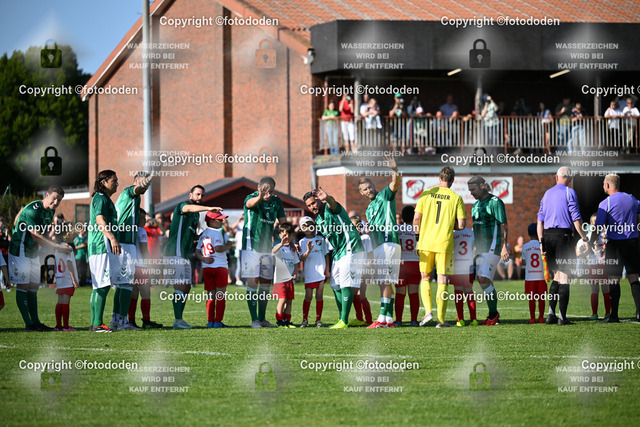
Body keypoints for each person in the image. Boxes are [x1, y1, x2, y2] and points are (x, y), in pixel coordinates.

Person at [9, 185, 70, 331]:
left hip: (33, 251)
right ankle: (29, 323)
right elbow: (36, 236)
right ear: (47, 195)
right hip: (20, 249)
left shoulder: (51, 211)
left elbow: (44, 233)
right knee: (23, 286)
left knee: (34, 287)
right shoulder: (32, 210)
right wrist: (56, 247)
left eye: (59, 200)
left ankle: (36, 322)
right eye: (54, 198)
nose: (56, 202)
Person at [303, 188, 366, 329]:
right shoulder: (318, 220)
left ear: (319, 200)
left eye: (313, 203)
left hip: (350, 246)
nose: (312, 207)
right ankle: (342, 318)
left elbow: (332, 203)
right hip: (338, 252)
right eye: (309, 205)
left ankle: (344, 320)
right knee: (335, 284)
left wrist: (327, 197)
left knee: (345, 284)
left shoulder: (330, 208)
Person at [413, 166, 466, 328]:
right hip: (444, 243)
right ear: (452, 180)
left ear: (439, 178)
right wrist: (449, 225)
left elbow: (416, 220)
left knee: (425, 277)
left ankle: (428, 312)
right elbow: (462, 225)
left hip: (425, 243)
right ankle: (441, 321)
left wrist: (418, 238)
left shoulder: (425, 194)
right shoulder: (456, 198)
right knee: (443, 279)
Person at [163, 185, 222, 329]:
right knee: (180, 285)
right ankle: (178, 320)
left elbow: (193, 236)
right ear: (190, 195)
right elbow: (189, 208)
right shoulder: (183, 206)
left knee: (187, 287)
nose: (200, 197)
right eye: (197, 194)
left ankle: (180, 320)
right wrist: (209, 208)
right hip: (174, 252)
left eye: (202, 195)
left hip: (185, 254)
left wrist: (205, 234)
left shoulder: (196, 216)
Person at [537, 167, 588, 325]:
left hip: (548, 237)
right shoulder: (569, 192)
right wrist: (585, 237)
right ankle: (562, 318)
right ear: (570, 179)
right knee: (565, 277)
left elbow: (540, 222)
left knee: (557, 276)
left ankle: (550, 315)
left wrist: (541, 242)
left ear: (556, 177)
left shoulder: (547, 193)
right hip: (563, 236)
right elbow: (576, 219)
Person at [358, 156, 401, 328]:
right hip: (378, 246)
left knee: (385, 281)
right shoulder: (369, 209)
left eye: (370, 187)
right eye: (365, 189)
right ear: (361, 193)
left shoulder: (385, 195)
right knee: (382, 281)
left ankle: (383, 318)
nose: (369, 190)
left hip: (389, 242)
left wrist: (394, 169)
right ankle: (387, 319)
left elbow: (395, 183)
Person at [590, 174, 640, 323]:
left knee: (613, 279)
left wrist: (591, 242)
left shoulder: (605, 203)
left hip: (615, 244)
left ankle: (614, 316)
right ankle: (639, 313)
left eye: (603, 184)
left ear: (607, 185)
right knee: (634, 277)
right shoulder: (632, 199)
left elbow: (598, 227)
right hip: (632, 242)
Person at [110, 171, 153, 331]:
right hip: (125, 243)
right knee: (127, 284)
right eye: (144, 182)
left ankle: (116, 320)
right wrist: (153, 174)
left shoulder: (134, 198)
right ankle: (122, 321)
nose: (146, 186)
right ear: (136, 181)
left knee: (123, 284)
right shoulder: (129, 191)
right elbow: (139, 188)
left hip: (124, 243)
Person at [242, 177, 287, 328]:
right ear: (258, 187)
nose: (268, 194)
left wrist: (287, 234)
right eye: (265, 190)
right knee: (253, 282)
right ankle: (254, 319)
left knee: (266, 283)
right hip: (251, 246)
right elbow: (249, 204)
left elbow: (283, 221)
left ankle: (262, 319)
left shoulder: (277, 201)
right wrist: (260, 197)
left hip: (267, 247)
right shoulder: (251, 197)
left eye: (271, 191)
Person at [468, 176, 510, 325]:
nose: (471, 193)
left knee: (483, 278)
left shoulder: (495, 202)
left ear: (482, 186)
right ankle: (493, 316)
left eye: (473, 189)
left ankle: (494, 315)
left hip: (492, 247)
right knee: (485, 281)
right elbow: (475, 227)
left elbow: (503, 225)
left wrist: (504, 246)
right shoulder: (475, 205)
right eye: (469, 190)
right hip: (480, 249)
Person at [87, 171, 120, 332]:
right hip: (101, 245)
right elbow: (99, 220)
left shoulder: (104, 198)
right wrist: (112, 238)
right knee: (103, 285)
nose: (117, 183)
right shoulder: (100, 198)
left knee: (98, 285)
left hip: (98, 246)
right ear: (104, 182)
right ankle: (98, 323)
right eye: (114, 181)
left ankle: (95, 323)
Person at [196, 211, 234, 328]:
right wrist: (228, 246)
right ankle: (217, 322)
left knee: (210, 295)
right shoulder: (216, 232)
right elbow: (218, 248)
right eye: (219, 219)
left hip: (207, 267)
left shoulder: (203, 234)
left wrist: (204, 259)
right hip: (219, 266)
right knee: (220, 295)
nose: (222, 221)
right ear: (212, 221)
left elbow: (197, 251)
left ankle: (210, 321)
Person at [128, 208, 162, 329]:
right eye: (142, 218)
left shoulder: (130, 229)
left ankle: (131, 320)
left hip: (131, 266)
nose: (144, 220)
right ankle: (146, 320)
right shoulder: (141, 230)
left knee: (134, 295)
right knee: (146, 293)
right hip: (141, 266)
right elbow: (143, 248)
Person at [272, 223, 307, 328]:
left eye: (288, 235)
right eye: (284, 235)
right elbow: (272, 252)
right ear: (280, 235)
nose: (286, 237)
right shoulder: (278, 247)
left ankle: (287, 321)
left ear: (292, 236)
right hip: (280, 279)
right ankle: (279, 321)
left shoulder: (292, 249)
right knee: (282, 300)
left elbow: (296, 262)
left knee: (289, 301)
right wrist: (281, 244)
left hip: (289, 279)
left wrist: (295, 272)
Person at [298, 217, 330, 328]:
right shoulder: (302, 242)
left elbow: (326, 254)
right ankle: (304, 320)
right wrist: (308, 250)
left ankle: (318, 320)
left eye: (310, 225)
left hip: (321, 272)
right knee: (308, 296)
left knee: (319, 295)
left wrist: (327, 269)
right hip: (309, 273)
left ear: (314, 227)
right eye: (305, 226)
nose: (307, 228)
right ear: (301, 228)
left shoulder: (321, 239)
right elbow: (302, 258)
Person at [397, 206, 421, 327]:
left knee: (400, 293)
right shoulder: (419, 229)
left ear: (402, 217)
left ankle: (398, 321)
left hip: (401, 264)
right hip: (415, 263)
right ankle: (414, 321)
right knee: (414, 293)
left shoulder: (397, 229)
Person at [583, 213, 610, 320]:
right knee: (605, 290)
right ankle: (607, 313)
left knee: (595, 290)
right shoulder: (607, 233)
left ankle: (595, 314)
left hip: (594, 265)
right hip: (604, 265)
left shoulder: (589, 235)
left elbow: (586, 250)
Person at [54, 231, 79, 331]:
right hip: (67, 277)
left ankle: (58, 326)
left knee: (60, 301)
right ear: (67, 235)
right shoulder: (67, 248)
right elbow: (69, 263)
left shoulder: (58, 247)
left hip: (60, 277)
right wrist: (74, 279)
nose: (75, 236)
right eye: (73, 233)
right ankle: (66, 326)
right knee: (65, 302)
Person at [350, 216, 373, 326]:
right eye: (353, 226)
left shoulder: (365, 238)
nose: (356, 228)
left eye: (358, 226)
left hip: (363, 269)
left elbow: (370, 253)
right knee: (354, 294)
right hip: (353, 270)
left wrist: (369, 267)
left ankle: (368, 320)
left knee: (362, 294)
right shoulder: (350, 238)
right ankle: (359, 318)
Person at [451, 227, 476, 327]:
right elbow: (474, 247)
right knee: (469, 291)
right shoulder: (471, 232)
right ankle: (474, 319)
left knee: (458, 292)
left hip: (456, 266)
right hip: (468, 266)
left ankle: (460, 319)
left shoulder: (452, 232)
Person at [522, 223, 547, 324]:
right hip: (541, 276)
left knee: (531, 298)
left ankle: (532, 318)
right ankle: (541, 318)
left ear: (528, 234)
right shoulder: (543, 245)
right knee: (541, 298)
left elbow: (523, 261)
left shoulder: (525, 246)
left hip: (530, 277)